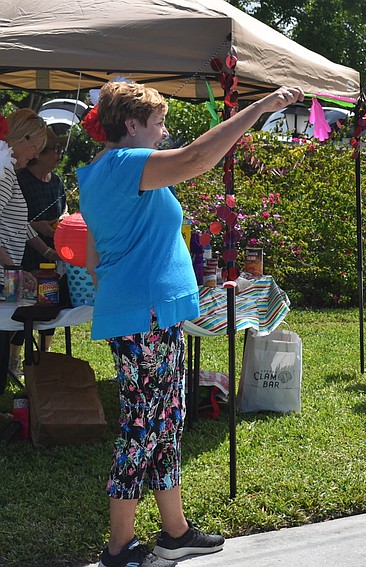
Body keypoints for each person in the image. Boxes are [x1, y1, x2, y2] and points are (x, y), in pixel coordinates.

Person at [77, 80, 304, 567]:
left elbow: (96, 257)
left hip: (148, 315)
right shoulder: (122, 165)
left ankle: (174, 531)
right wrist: (260, 108)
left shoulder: (101, 173)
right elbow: (198, 158)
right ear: (131, 124)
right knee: (142, 426)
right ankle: (119, 546)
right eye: (157, 123)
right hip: (147, 319)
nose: (162, 132)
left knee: (165, 422)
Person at [0, 109, 53, 376]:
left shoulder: (8, 171)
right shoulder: (3, 173)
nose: (35, 154)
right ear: (22, 137)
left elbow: (20, 224)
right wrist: (14, 270)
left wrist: (47, 252)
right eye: (35, 147)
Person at [11, 128, 67, 357]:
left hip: (52, 252)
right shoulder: (20, 179)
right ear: (40, 153)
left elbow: (64, 208)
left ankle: (45, 357)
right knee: (23, 310)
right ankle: (14, 358)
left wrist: (61, 220)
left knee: (50, 305)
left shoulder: (56, 181)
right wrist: (37, 225)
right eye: (55, 150)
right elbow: (12, 219)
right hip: (24, 254)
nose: (60, 155)